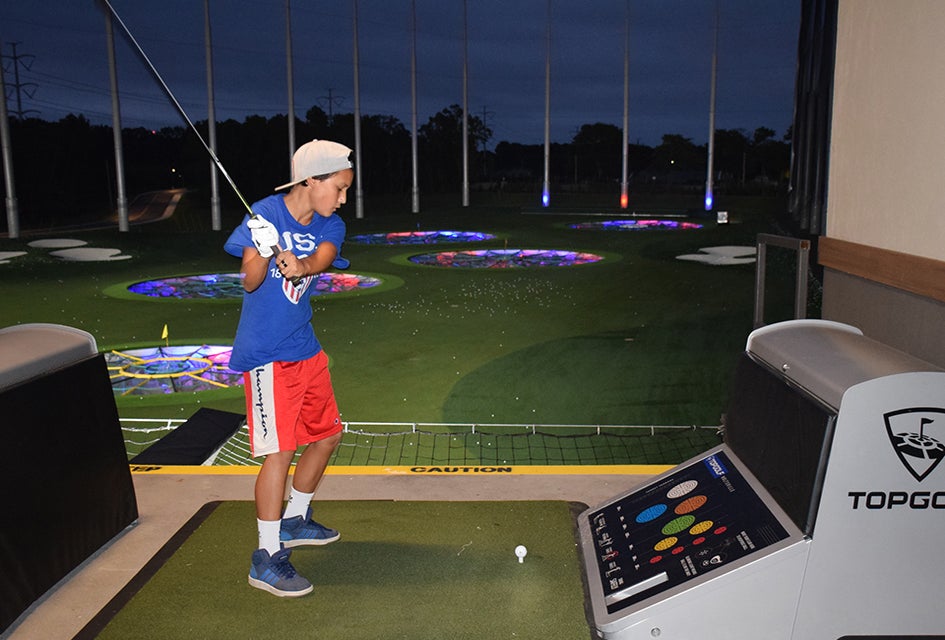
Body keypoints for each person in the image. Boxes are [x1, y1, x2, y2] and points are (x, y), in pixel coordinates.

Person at [223, 139, 354, 597]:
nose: (342, 199)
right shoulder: (262, 213)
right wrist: (259, 249)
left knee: (328, 435)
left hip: (306, 349)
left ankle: (296, 518)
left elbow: (321, 258)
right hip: (266, 356)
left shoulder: (329, 223)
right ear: (311, 181)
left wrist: (300, 264)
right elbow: (250, 281)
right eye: (337, 188)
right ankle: (265, 557)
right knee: (279, 452)